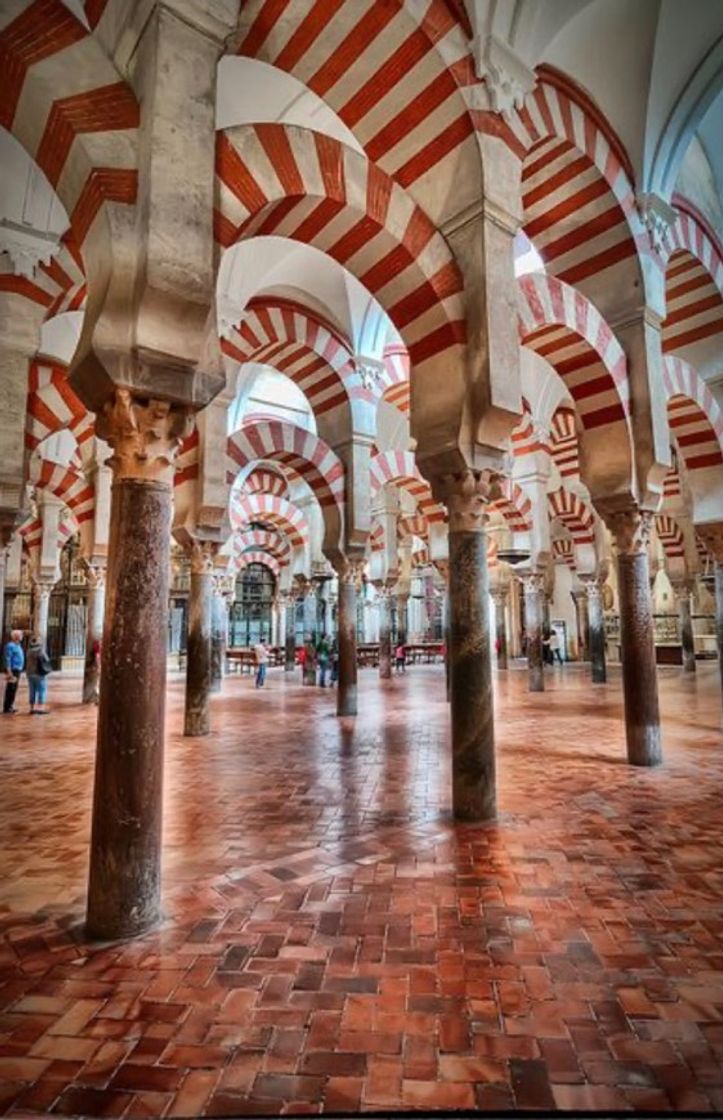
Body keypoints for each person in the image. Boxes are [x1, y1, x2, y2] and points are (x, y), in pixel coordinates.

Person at [26, 635, 51, 714]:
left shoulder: (28, 651)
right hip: (39, 673)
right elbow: (46, 659)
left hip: (30, 673)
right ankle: (40, 708)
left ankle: (32, 707)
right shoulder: (40, 651)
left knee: (32, 690)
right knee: (42, 690)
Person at [3, 629, 25, 714]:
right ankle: (7, 707)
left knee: (14, 689)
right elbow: (7, 659)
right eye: (20, 635)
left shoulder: (18, 645)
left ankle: (10, 706)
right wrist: (9, 671)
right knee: (10, 689)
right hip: (13, 670)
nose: (22, 636)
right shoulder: (10, 646)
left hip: (18, 670)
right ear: (16, 636)